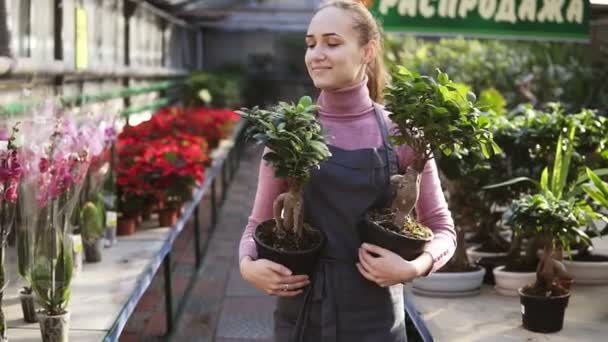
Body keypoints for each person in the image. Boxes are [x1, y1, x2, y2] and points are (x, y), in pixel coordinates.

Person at [238, 1, 456, 341]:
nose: (316, 54)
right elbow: (257, 224)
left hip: (377, 319)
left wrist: (414, 267)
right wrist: (248, 266)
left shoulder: (402, 133)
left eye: (332, 42)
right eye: (311, 44)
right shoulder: (289, 134)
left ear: (367, 51)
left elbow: (442, 228)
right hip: (301, 314)